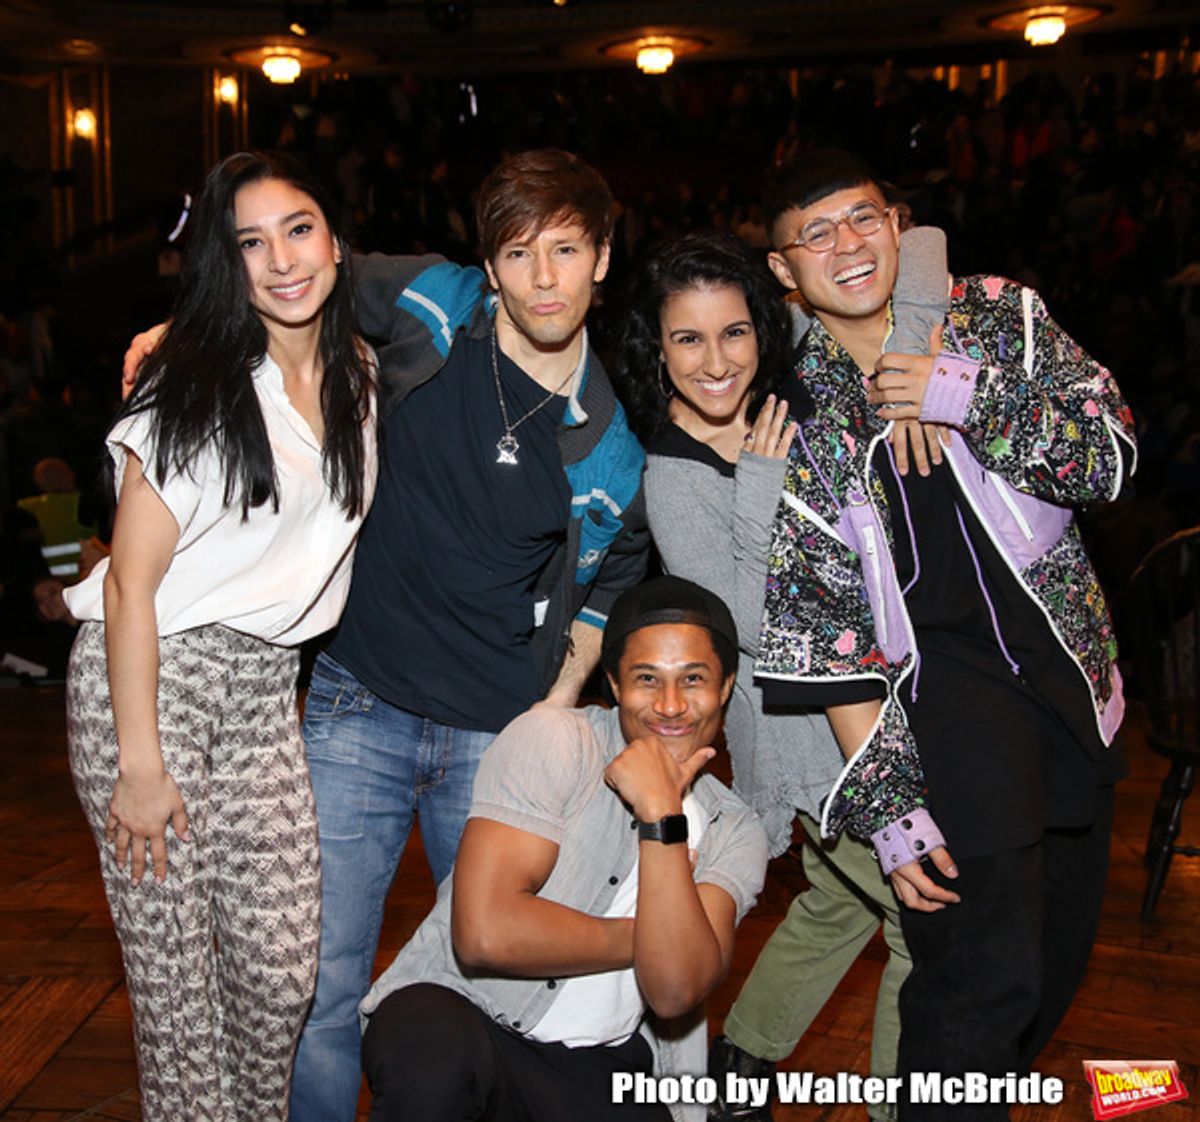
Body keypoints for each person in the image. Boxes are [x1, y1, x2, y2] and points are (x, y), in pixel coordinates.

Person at [123, 149, 649, 1121]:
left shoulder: (609, 440)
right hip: (356, 704)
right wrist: (180, 332)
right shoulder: (434, 304)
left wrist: (554, 706)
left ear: (601, 260)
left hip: (492, 744)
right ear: (489, 266)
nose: (544, 278)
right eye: (520, 253)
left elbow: (607, 588)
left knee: (483, 988)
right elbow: (288, 276)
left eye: (566, 250)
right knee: (317, 984)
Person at [754, 149, 1136, 1118]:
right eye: (816, 232)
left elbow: (1112, 454)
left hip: (1072, 686)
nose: (846, 244)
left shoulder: (997, 315)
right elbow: (820, 623)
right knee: (975, 981)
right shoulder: (796, 405)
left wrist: (957, 393)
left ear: (899, 223)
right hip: (942, 708)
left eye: (863, 218)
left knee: (1046, 971)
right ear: (783, 268)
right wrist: (886, 803)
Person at [64, 150, 377, 1121]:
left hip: (261, 696)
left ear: (333, 238)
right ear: (223, 263)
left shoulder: (359, 371)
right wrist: (140, 764)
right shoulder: (189, 393)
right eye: (249, 243)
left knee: (281, 975)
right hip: (150, 688)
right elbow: (131, 589)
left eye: (298, 228)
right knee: (179, 1002)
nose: (281, 259)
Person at [614, 229, 946, 1122]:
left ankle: (737, 1076)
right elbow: (757, 628)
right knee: (931, 926)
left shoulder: (778, 359)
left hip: (870, 709)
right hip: (801, 740)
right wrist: (763, 480)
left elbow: (921, 244)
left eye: (734, 334)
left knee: (837, 904)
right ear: (658, 347)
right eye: (687, 338)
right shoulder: (673, 475)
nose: (717, 360)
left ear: (763, 325)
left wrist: (912, 366)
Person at [358, 576, 769, 1122]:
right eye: (647, 679)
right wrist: (656, 937)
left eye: (693, 679)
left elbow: (675, 989)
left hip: (604, 1065)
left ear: (725, 685)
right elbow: (486, 933)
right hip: (471, 1017)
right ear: (616, 685)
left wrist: (662, 817)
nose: (671, 705)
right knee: (431, 1061)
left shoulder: (735, 828)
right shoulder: (554, 739)